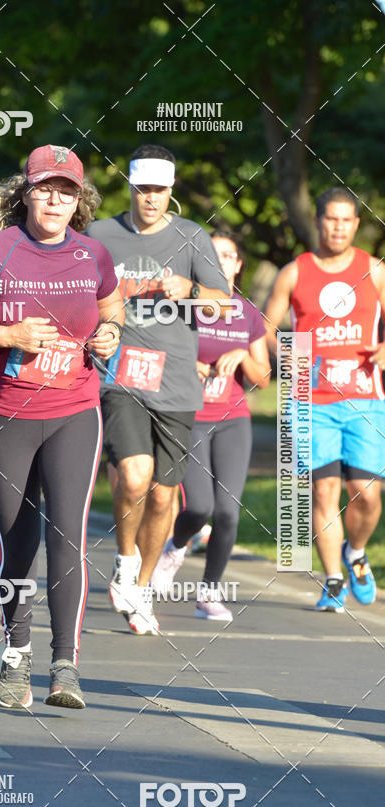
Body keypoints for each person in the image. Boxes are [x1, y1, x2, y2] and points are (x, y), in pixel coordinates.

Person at [0, 144, 124, 709]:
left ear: (79, 200)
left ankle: (66, 665)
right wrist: (9, 336)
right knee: (19, 541)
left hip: (75, 410)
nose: (55, 201)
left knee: (68, 537)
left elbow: (113, 308)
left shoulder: (93, 253)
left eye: (66, 192)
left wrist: (110, 335)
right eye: (45, 189)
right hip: (5, 413)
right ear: (27, 193)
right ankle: (16, 654)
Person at [85, 144, 231, 635]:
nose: (150, 198)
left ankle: (143, 589)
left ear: (171, 191)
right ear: (130, 187)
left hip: (176, 384)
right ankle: (125, 560)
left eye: (159, 190)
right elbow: (75, 291)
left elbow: (224, 303)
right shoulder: (100, 235)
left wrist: (191, 291)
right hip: (121, 375)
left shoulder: (191, 237)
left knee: (165, 498)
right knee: (133, 477)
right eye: (142, 189)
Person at [264, 187, 385, 612]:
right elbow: (266, 325)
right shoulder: (294, 272)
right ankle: (333, 579)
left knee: (366, 494)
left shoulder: (374, 270)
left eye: (346, 220)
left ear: (356, 224)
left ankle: (356, 551)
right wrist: (284, 353)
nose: (338, 227)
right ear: (318, 222)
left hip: (366, 398)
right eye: (331, 219)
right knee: (325, 489)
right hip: (310, 400)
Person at [151, 231, 270, 619]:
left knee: (228, 512)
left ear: (238, 265)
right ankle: (175, 548)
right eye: (211, 256)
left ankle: (208, 594)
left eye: (228, 256)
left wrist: (242, 355)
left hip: (233, 420)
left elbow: (263, 378)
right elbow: (155, 354)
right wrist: (187, 364)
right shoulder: (183, 307)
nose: (220, 262)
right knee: (200, 507)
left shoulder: (248, 313)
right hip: (189, 418)